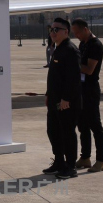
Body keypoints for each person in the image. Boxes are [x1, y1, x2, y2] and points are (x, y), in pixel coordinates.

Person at [43, 17, 81, 179]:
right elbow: (55, 77)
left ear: (66, 32)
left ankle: (70, 166)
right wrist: (48, 94)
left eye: (56, 29)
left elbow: (73, 79)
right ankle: (59, 161)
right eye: (51, 29)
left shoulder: (70, 50)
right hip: (54, 100)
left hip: (66, 102)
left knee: (67, 133)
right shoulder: (57, 49)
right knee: (53, 131)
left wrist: (66, 98)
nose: (52, 32)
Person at [71, 18, 103, 172]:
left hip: (91, 89)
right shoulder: (83, 44)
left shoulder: (95, 45)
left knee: (95, 125)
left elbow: (89, 69)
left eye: (77, 32)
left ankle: (100, 160)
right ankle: (85, 157)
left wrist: (72, 64)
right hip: (81, 88)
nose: (76, 35)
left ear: (85, 29)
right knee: (82, 125)